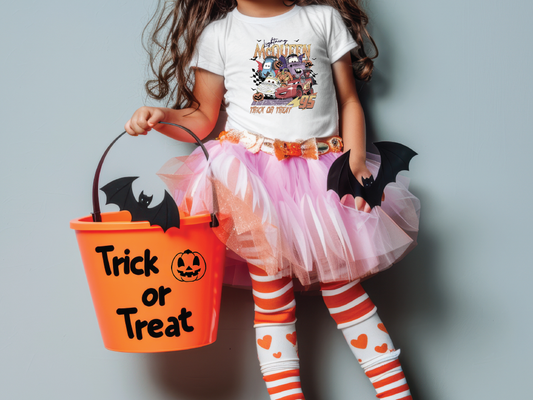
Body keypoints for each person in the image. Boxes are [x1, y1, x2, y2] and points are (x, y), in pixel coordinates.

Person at [126, 1, 419, 399]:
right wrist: (160, 115)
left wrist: (356, 176)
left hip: (322, 176)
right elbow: (201, 117)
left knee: (345, 290)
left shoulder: (322, 19)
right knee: (273, 299)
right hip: (253, 182)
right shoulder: (220, 35)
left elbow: (350, 100)